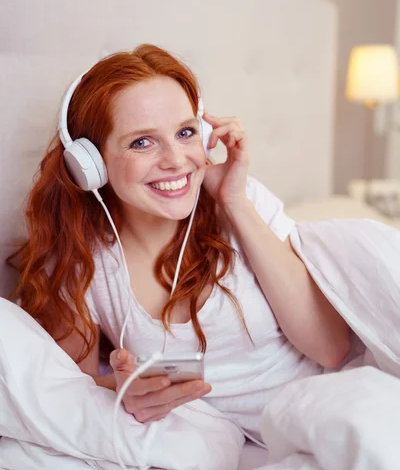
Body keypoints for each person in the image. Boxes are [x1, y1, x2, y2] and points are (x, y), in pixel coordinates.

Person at [8, 43, 351, 437]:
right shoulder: (84, 260)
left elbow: (331, 348)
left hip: (327, 408)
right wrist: (124, 392)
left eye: (186, 132)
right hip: (233, 446)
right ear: (92, 165)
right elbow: (74, 389)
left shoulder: (243, 202)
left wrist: (234, 203)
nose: (176, 159)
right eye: (142, 142)